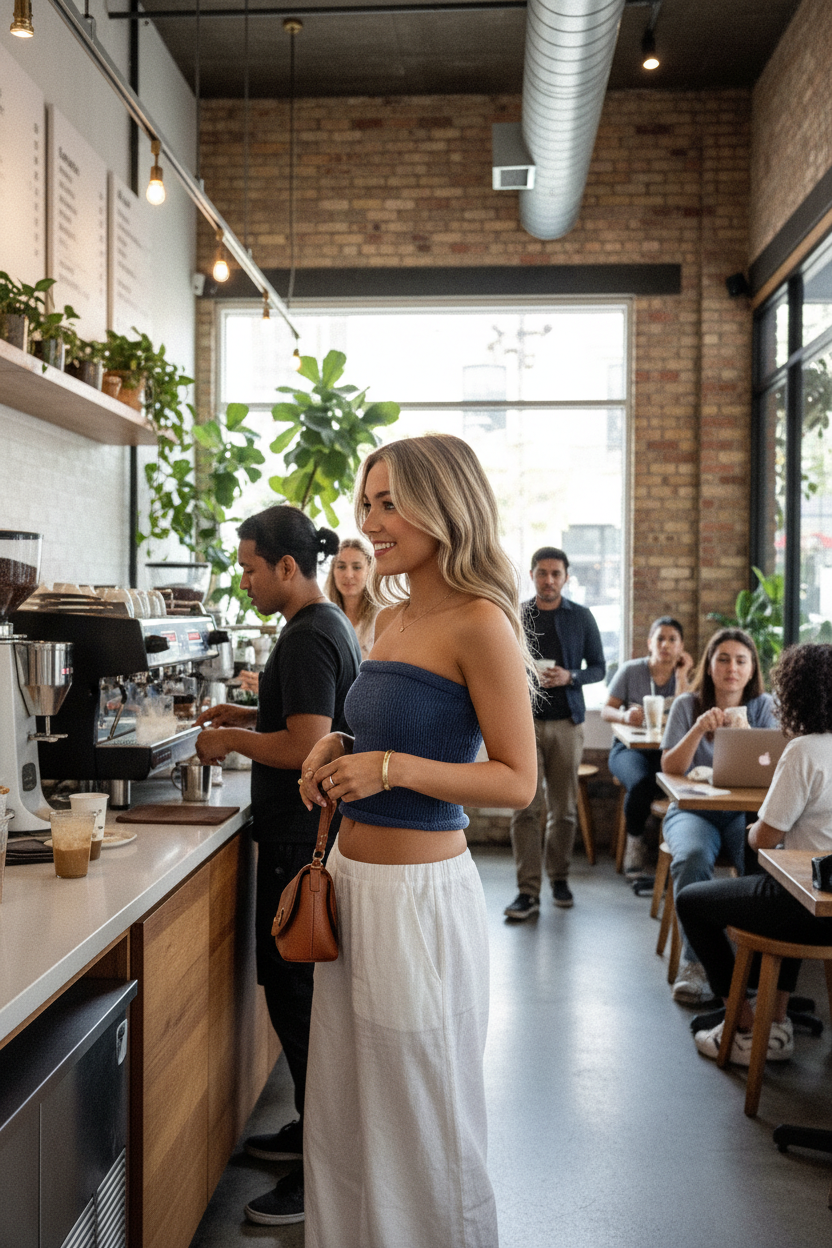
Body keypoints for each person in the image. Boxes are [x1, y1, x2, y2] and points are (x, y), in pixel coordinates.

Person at [296, 433, 537, 1248]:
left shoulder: (480, 623)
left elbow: (516, 780)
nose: (372, 519)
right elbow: (372, 730)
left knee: (424, 1130)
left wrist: (393, 768)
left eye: (391, 501)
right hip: (351, 892)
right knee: (345, 1115)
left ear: (445, 505)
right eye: (368, 503)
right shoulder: (389, 617)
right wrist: (335, 748)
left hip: (419, 911)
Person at [193, 504, 361, 1228]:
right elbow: (294, 720)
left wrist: (232, 742)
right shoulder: (324, 627)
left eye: (251, 567)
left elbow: (305, 744)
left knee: (298, 1003)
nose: (245, 579)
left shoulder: (305, 636)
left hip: (300, 843)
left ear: (286, 568)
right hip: (306, 835)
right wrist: (241, 715)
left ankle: (319, 1172)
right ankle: (308, 1134)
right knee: (298, 1002)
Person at [677, 643, 832, 1065]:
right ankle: (775, 1020)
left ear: (797, 695)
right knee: (775, 890)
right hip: (822, 904)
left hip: (809, 909)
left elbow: (764, 839)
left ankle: (745, 1022)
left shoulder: (804, 750)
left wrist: (753, 827)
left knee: (692, 901)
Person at [660, 627, 776, 1005]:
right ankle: (694, 964)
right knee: (692, 858)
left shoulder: (764, 707)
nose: (732, 668)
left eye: (741, 660)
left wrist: (747, 736)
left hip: (746, 815)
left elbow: (777, 768)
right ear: (708, 666)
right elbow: (670, 766)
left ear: (751, 668)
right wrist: (698, 729)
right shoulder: (686, 705)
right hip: (695, 813)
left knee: (763, 866)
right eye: (723, 659)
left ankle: (753, 960)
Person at [504, 546, 606, 920]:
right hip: (523, 724)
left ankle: (559, 878)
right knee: (524, 809)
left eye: (556, 574)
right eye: (542, 573)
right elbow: (498, 664)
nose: (549, 580)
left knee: (562, 810)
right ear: (532, 575)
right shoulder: (516, 615)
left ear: (565, 577)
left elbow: (598, 667)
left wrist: (570, 676)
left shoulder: (581, 617)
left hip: (567, 723)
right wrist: (524, 674)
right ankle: (527, 892)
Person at [602, 616, 694, 879]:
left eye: (672, 639)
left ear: (681, 646)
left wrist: (682, 675)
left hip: (665, 750)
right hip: (628, 749)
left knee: (674, 782)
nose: (666, 645)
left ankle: (672, 852)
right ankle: (635, 848)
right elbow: (608, 709)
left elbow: (685, 710)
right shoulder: (632, 670)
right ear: (650, 643)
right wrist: (624, 716)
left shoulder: (684, 677)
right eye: (660, 638)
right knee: (643, 782)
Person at [323, 535, 378, 658]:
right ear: (333, 571)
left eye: (357, 567)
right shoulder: (325, 618)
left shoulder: (381, 618)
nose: (348, 575)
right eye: (341, 567)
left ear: (370, 570)